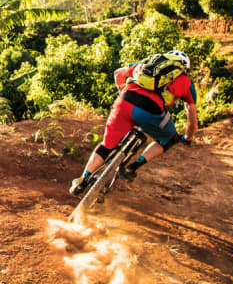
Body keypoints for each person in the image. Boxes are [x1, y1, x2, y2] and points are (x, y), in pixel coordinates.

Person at [70, 49, 199, 196]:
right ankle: (132, 168)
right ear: (185, 67)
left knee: (106, 146)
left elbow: (119, 73)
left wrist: (122, 94)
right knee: (169, 138)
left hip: (125, 101)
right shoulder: (185, 80)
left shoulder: (149, 63)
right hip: (151, 112)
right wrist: (187, 137)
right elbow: (192, 117)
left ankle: (82, 181)